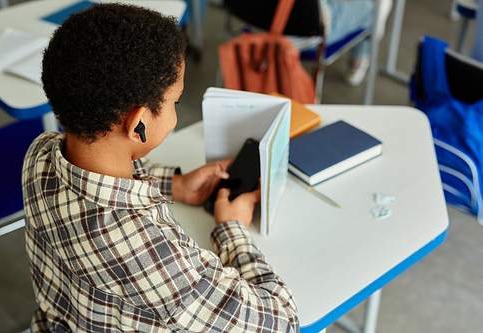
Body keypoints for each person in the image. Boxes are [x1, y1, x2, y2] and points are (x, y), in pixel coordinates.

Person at [22, 3, 299, 332]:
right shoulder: (151, 252)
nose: (175, 114)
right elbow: (281, 321)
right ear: (138, 124)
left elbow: (98, 174)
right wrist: (232, 230)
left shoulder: (39, 155)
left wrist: (176, 184)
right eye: (175, 102)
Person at [321, 0, 393, 86]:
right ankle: (356, 63)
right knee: (378, 7)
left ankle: (356, 64)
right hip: (317, 37)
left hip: (303, 40)